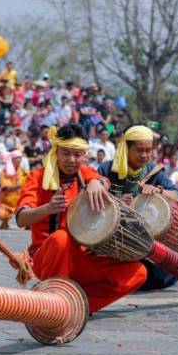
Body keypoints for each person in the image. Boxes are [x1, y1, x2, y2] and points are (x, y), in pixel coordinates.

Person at [16, 124, 146, 314]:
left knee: (137, 272)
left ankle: (77, 308)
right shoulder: (37, 177)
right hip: (47, 256)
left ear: (84, 155)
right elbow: (21, 219)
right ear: (56, 152)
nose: (72, 160)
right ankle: (54, 305)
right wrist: (48, 208)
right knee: (61, 238)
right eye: (66, 154)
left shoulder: (84, 174)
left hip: (82, 257)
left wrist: (96, 183)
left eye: (78, 155)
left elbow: (103, 181)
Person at [97, 124, 178, 291]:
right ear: (126, 149)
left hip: (144, 241)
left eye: (148, 150)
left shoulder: (153, 171)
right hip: (111, 240)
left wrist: (158, 190)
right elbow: (92, 198)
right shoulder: (106, 169)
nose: (145, 155)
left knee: (159, 277)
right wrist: (116, 201)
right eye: (139, 150)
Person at [0, 150, 27, 230]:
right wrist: (19, 186)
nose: (19, 160)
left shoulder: (24, 171)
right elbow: (6, 189)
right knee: (2, 214)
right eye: (17, 158)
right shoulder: (4, 172)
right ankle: (5, 221)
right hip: (8, 203)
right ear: (11, 159)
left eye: (20, 158)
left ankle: (29, 224)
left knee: (32, 209)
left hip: (22, 202)